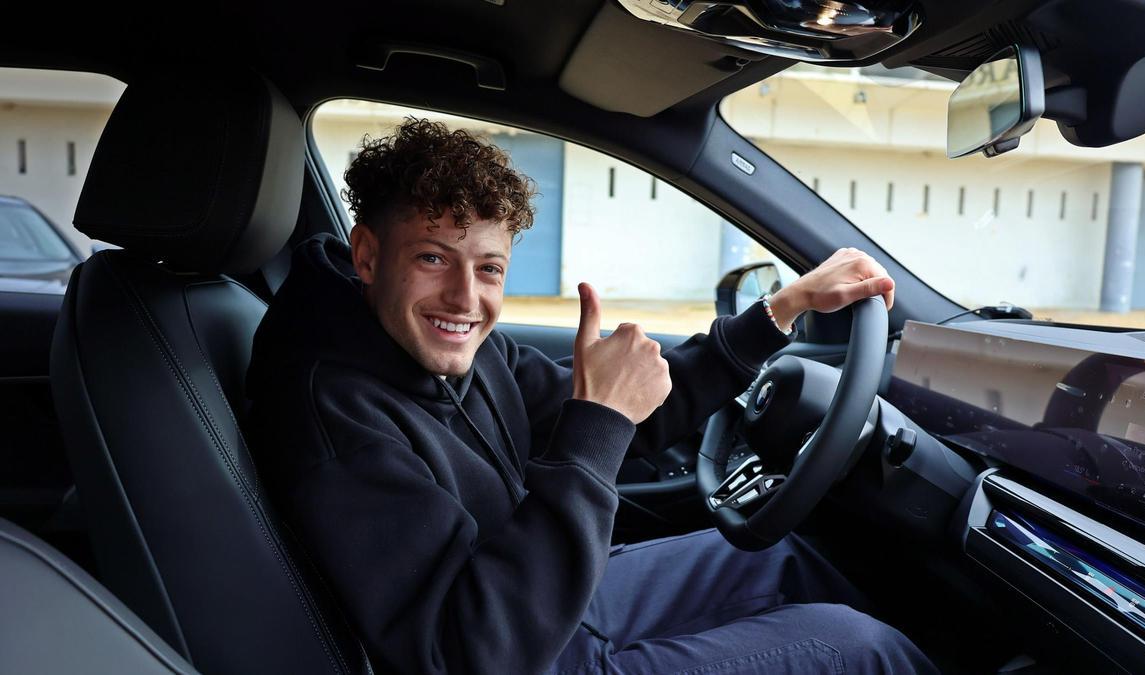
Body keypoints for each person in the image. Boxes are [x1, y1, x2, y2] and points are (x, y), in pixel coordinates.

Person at [246, 118, 936, 674]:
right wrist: (594, 426)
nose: (465, 297)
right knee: (855, 646)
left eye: (488, 267)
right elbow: (467, 651)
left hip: (538, 597)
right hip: (514, 646)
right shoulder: (335, 410)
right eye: (432, 257)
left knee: (786, 559)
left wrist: (781, 309)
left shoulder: (447, 352)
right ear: (366, 255)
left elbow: (635, 418)